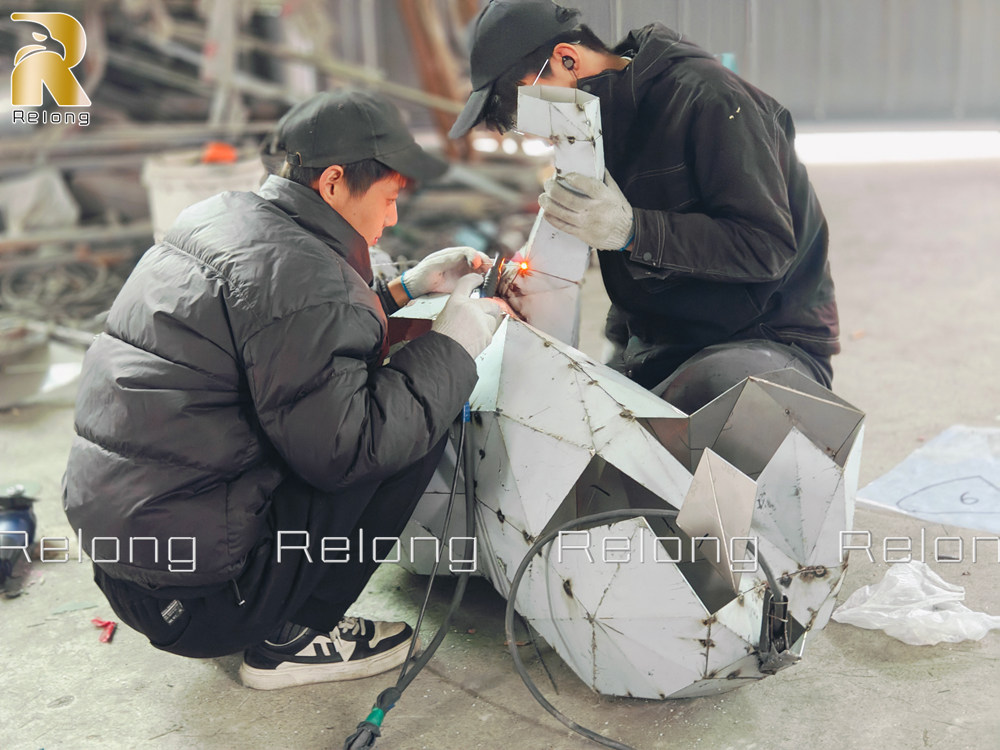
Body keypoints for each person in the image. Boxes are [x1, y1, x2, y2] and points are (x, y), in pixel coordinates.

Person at [62, 89, 506, 690]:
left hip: (131, 575)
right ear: (331, 184)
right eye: (389, 197)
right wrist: (454, 345)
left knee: (384, 392)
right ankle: (290, 637)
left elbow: (284, 344)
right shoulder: (311, 278)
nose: (394, 218)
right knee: (410, 412)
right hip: (209, 604)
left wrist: (401, 290)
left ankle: (270, 608)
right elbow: (354, 447)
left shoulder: (222, 218)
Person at [450, 0, 840, 413]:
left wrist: (634, 231)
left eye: (534, 113)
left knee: (708, 403)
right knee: (583, 421)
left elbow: (767, 247)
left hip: (766, 340)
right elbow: (635, 281)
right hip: (672, 345)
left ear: (566, 59)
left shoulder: (711, 99)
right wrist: (613, 348)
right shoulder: (598, 124)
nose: (543, 135)